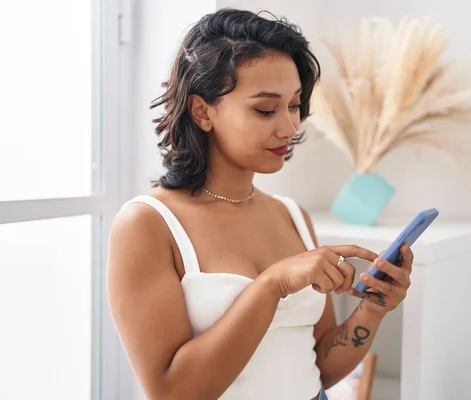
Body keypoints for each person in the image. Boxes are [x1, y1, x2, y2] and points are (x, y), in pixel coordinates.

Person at [106, 8, 413, 400]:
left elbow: (320, 367)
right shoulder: (147, 224)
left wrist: (373, 309)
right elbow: (170, 392)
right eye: (266, 109)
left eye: (294, 105)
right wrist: (273, 284)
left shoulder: (291, 216)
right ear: (203, 111)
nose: (289, 127)